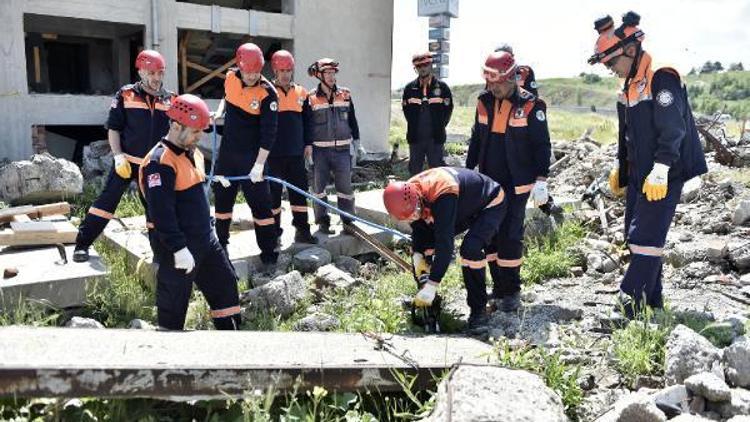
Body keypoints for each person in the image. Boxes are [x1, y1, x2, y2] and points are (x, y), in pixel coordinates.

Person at [588, 12, 707, 317]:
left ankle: (627, 308)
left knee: (646, 236)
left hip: (666, 171)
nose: (610, 69)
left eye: (611, 63)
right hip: (642, 173)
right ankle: (652, 305)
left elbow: (674, 129)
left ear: (630, 50)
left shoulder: (660, 77)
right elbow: (626, 136)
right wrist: (622, 169)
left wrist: (662, 168)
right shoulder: (627, 87)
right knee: (633, 233)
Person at [139, 94, 241, 330]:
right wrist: (178, 249)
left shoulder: (192, 153)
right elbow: (161, 213)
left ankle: (232, 344)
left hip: (205, 241)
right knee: (173, 308)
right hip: (177, 248)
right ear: (176, 126)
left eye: (201, 131)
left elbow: (194, 196)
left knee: (226, 290)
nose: (200, 137)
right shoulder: (159, 162)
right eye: (195, 131)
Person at [466, 50, 552, 312]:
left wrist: (541, 179)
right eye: (489, 82)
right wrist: (468, 173)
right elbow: (476, 140)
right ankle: (498, 287)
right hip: (489, 184)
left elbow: (541, 145)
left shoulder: (531, 105)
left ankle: (511, 291)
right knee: (489, 236)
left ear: (511, 78)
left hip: (518, 185)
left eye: (497, 83)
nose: (492, 87)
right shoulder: (484, 101)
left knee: (510, 236)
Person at [73, 50, 174, 262]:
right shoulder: (126, 95)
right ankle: (82, 245)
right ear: (140, 72)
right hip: (126, 163)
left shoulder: (170, 99)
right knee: (105, 203)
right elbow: (114, 129)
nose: (157, 78)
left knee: (155, 211)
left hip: (153, 166)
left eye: (160, 73)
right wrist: (118, 156)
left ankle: (160, 256)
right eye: (152, 73)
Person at [383, 167, 507, 330]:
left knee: (471, 249)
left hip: (490, 201)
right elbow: (420, 231)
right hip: (464, 204)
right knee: (425, 245)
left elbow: (445, 246)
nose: (415, 217)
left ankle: (479, 311)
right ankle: (428, 297)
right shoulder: (409, 197)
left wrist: (432, 284)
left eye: (416, 212)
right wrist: (419, 257)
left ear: (418, 198)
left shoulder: (442, 194)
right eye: (410, 217)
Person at [211, 43, 279, 271]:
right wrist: (220, 111)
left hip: (253, 159)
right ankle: (220, 246)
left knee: (262, 209)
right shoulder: (230, 78)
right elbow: (227, 96)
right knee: (222, 204)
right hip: (227, 156)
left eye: (256, 71)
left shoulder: (268, 94)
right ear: (239, 66)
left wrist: (259, 165)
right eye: (247, 71)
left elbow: (269, 135)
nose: (251, 76)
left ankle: (269, 254)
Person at [266, 50, 317, 244]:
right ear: (275, 70)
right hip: (273, 155)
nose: (286, 74)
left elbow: (308, 121)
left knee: (299, 194)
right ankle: (273, 233)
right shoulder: (267, 92)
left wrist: (308, 143)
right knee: (273, 197)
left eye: (289, 70)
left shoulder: (301, 92)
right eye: (282, 70)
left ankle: (302, 231)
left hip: (296, 153)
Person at [306, 58, 360, 234]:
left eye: (333, 73)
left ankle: (348, 221)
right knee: (319, 189)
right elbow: (307, 125)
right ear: (319, 75)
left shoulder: (345, 94)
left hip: (343, 151)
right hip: (320, 152)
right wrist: (307, 149)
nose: (331, 76)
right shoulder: (311, 98)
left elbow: (353, 121)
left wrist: (356, 144)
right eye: (327, 73)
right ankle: (323, 222)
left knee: (345, 188)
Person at [401, 52, 453, 175]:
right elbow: (407, 112)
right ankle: (415, 194)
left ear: (431, 65)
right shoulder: (409, 89)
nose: (423, 68)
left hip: (435, 139)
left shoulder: (442, 87)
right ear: (415, 68)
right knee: (414, 172)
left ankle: (436, 195)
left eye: (425, 64)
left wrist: (439, 126)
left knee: (437, 173)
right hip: (416, 138)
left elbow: (448, 111)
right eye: (419, 66)